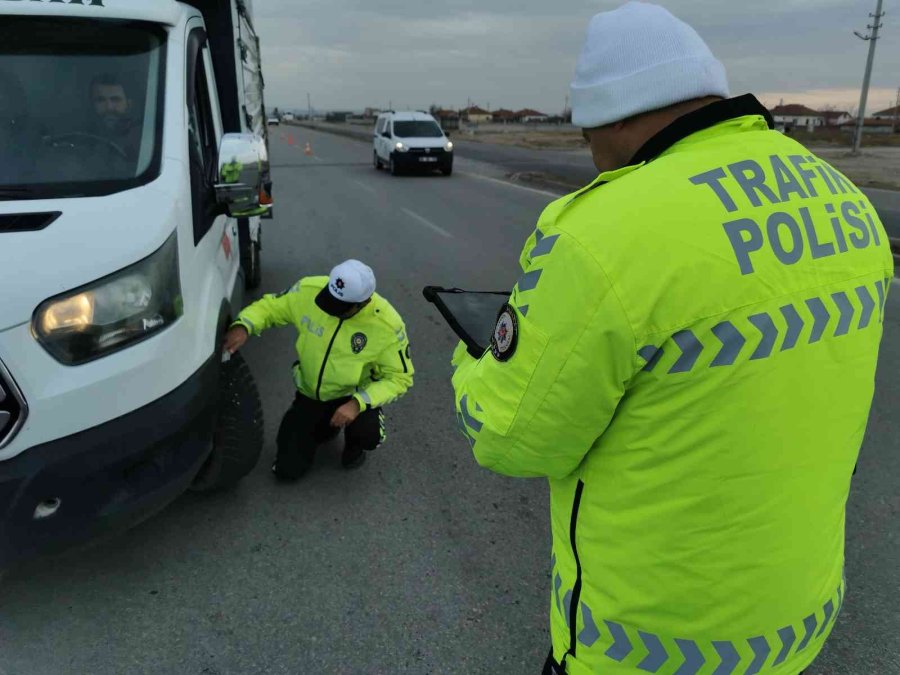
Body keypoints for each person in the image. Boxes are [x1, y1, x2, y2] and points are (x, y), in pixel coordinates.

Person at [450, 4, 893, 674]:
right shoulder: (843, 200)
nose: (591, 152)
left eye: (588, 130)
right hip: (796, 627)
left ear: (618, 113)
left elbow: (512, 436)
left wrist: (472, 361)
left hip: (648, 649)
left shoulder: (604, 230)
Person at [224, 260, 414, 478]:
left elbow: (400, 378)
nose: (331, 310)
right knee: (287, 471)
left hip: (353, 395)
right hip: (311, 394)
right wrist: (244, 325)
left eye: (340, 307)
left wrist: (358, 403)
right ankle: (327, 426)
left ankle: (355, 444)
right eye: (329, 300)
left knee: (367, 433)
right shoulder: (308, 289)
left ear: (363, 303)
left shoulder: (388, 325)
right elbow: (270, 307)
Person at [88, 73, 141, 160]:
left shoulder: (141, 140)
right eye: (100, 100)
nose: (109, 107)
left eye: (115, 100)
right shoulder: (82, 138)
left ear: (129, 104)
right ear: (92, 104)